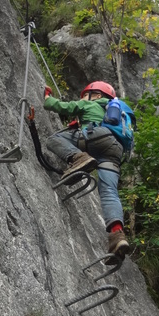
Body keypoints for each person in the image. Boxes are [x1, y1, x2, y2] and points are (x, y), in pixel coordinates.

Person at [43, 81, 131, 263]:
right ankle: (117, 236)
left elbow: (62, 107)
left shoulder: (90, 103)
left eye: (85, 94)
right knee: (109, 192)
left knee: (53, 139)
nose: (82, 98)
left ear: (97, 95)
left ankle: (77, 157)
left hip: (97, 136)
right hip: (115, 151)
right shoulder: (113, 112)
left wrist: (47, 97)